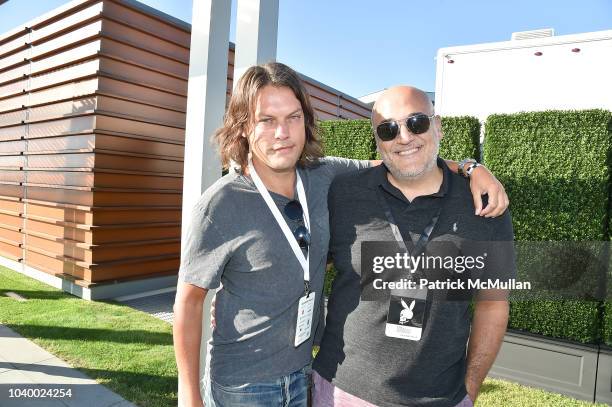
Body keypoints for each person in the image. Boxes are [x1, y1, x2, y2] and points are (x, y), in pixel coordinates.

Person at [173, 63, 509, 407]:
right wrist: (189, 395)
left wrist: (472, 167)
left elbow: (404, 158)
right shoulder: (221, 204)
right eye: (266, 120)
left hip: (306, 375)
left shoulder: (325, 176)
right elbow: (188, 301)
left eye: (292, 117)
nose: (282, 133)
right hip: (245, 385)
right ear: (243, 127)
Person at [312, 85, 515, 406]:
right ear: (377, 140)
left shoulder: (483, 204)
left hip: (441, 397)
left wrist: (470, 389)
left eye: (416, 122)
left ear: (438, 126)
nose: (404, 137)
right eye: (388, 129)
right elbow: (307, 267)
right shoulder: (342, 192)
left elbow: (493, 304)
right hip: (342, 391)